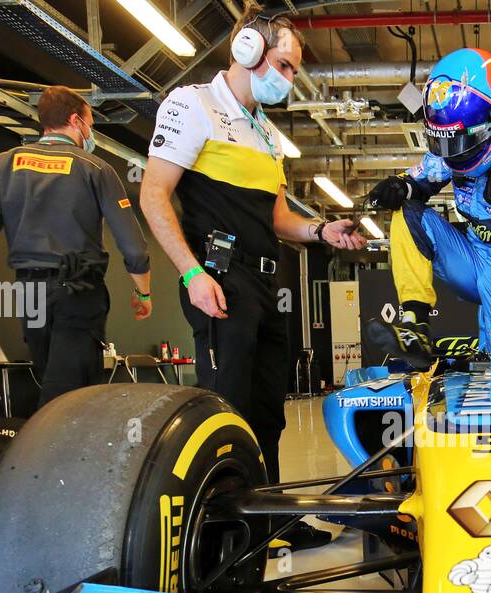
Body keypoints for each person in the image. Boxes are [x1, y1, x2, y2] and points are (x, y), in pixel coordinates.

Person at [140, 1, 363, 550]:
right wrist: (191, 272)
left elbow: (278, 216)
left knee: (267, 410)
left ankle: (267, 521)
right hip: (219, 278)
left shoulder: (265, 133)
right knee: (224, 409)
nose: (290, 78)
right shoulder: (191, 105)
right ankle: (218, 528)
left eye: (292, 69)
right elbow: (153, 194)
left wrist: (320, 231)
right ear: (247, 49)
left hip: (265, 284)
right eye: (285, 65)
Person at [365, 47, 491, 363]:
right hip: (469, 254)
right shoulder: (456, 141)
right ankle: (416, 327)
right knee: (407, 211)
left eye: (460, 143)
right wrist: (400, 185)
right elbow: (419, 181)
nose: (453, 153)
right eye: (445, 142)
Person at [0, 86, 152, 407]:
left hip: (30, 295)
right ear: (75, 121)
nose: (90, 134)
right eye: (90, 125)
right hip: (79, 292)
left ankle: (49, 449)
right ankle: (46, 454)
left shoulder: (6, 164)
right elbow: (135, 249)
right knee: (70, 398)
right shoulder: (95, 168)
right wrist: (143, 293)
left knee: (52, 383)